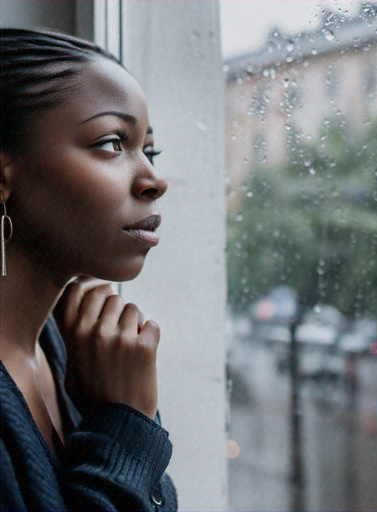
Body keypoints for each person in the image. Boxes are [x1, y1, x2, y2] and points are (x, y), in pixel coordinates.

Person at [0, 28, 178, 510]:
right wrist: (125, 423)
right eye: (111, 143)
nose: (154, 180)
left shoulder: (75, 352)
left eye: (150, 150)